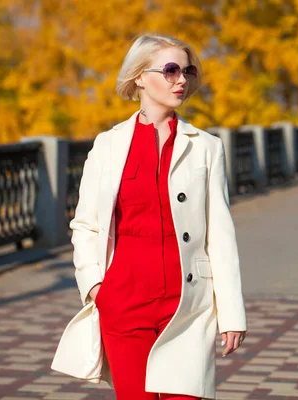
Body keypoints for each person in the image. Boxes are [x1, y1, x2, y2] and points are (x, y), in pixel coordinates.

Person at [51, 34, 247, 400]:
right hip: (122, 300)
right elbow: (85, 225)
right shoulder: (107, 145)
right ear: (140, 76)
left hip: (188, 302)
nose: (182, 80)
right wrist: (95, 286)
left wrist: (232, 312)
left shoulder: (206, 147)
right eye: (170, 70)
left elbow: (220, 233)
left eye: (187, 71)